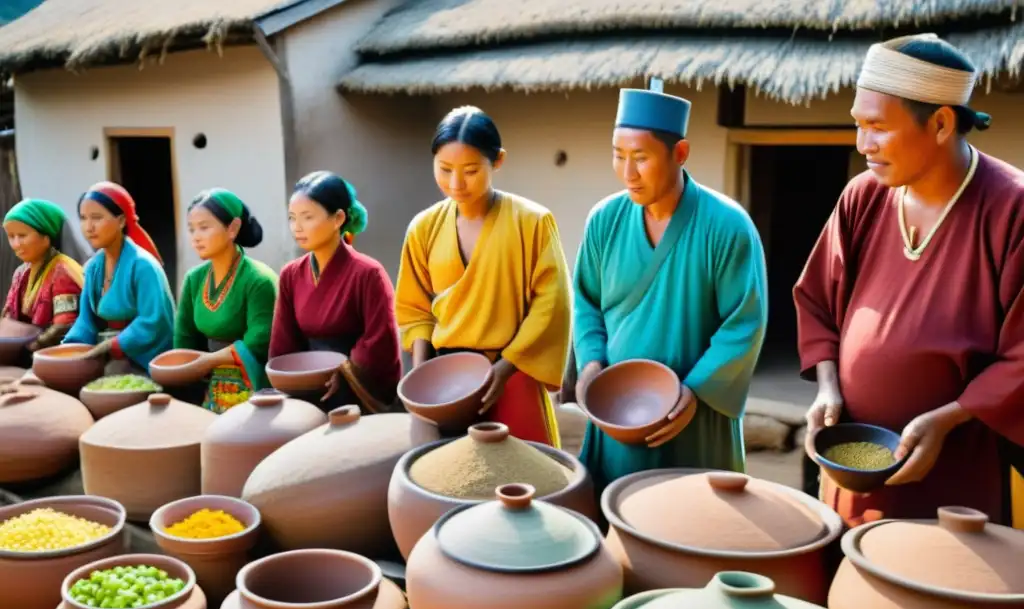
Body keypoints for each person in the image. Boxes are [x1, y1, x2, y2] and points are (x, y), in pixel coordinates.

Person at [794, 34, 1024, 527]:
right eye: (858, 125)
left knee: (939, 589)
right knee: (847, 581)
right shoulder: (863, 196)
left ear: (940, 122)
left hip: (958, 472)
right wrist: (828, 387)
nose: (863, 144)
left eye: (877, 127)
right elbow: (816, 300)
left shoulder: (1012, 209)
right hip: (852, 465)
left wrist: (949, 418)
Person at [573, 82, 768, 493]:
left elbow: (745, 323)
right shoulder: (604, 221)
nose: (627, 172)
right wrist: (591, 364)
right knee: (613, 522)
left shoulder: (727, 226)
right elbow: (586, 301)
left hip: (692, 418)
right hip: (616, 409)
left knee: (696, 529)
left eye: (640, 158)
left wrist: (694, 392)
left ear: (679, 153)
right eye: (618, 155)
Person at [395, 106, 572, 445]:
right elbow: (414, 309)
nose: (456, 183)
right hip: (443, 382)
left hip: (512, 373)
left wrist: (505, 369)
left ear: (499, 160)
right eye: (445, 169)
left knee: (524, 480)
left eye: (471, 170)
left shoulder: (532, 222)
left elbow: (552, 304)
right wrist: (420, 376)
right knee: (443, 484)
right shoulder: (423, 228)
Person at [269, 171, 401, 413]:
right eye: (292, 218)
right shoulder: (290, 274)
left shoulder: (368, 273)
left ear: (338, 218)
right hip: (305, 385)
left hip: (354, 387)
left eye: (307, 217)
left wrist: (346, 370)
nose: (296, 227)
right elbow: (283, 342)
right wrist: (288, 378)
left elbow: (380, 342)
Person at [173, 189, 278, 413]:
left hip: (254, 385)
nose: (195, 237)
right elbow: (184, 337)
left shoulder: (259, 279)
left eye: (204, 227)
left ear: (233, 228)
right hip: (209, 385)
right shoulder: (194, 278)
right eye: (191, 229)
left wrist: (208, 361)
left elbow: (258, 342)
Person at [64, 182, 175, 372]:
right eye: (83, 218)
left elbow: (154, 321)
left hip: (144, 358)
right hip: (107, 354)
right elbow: (85, 321)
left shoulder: (143, 266)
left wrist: (115, 345)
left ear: (121, 221)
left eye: (97, 218)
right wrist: (70, 348)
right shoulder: (92, 268)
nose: (88, 227)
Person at [2, 199, 84, 353]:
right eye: (11, 236)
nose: (16, 244)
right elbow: (8, 318)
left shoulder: (62, 271)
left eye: (22, 235)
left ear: (46, 238)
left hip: (53, 353)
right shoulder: (21, 272)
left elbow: (64, 325)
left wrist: (33, 347)